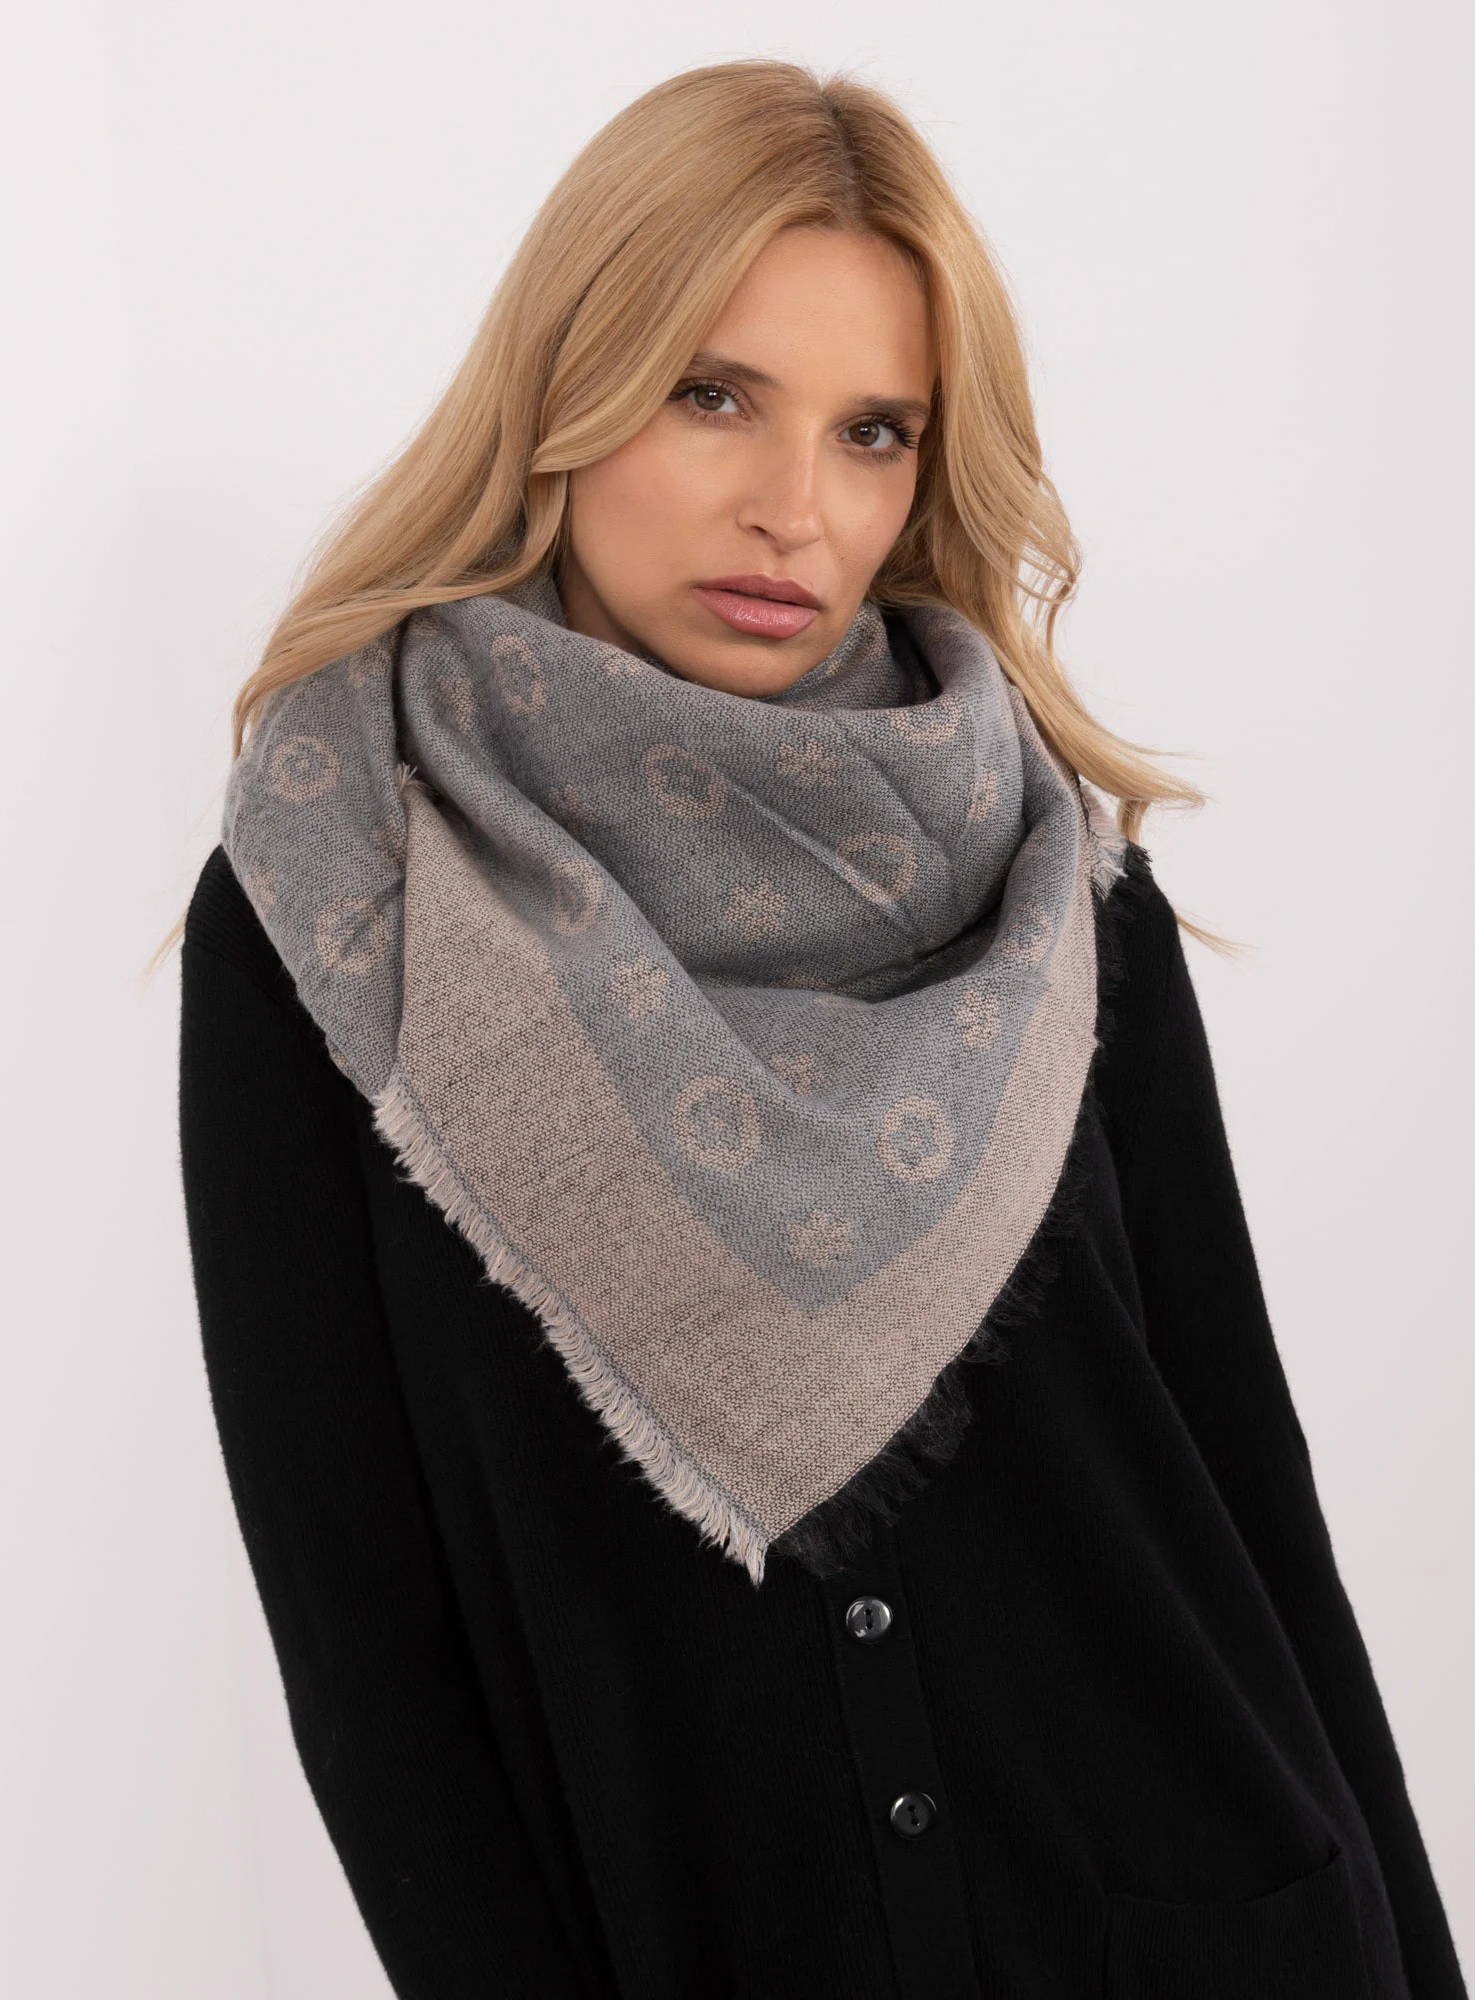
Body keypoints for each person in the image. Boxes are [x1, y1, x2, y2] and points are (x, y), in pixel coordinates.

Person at [176, 58, 1465, 2000]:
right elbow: (372, 1651)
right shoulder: (347, 894)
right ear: (565, 384)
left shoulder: (1052, 879)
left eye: (874, 434)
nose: (796, 509)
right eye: (714, 395)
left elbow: (1251, 1507)